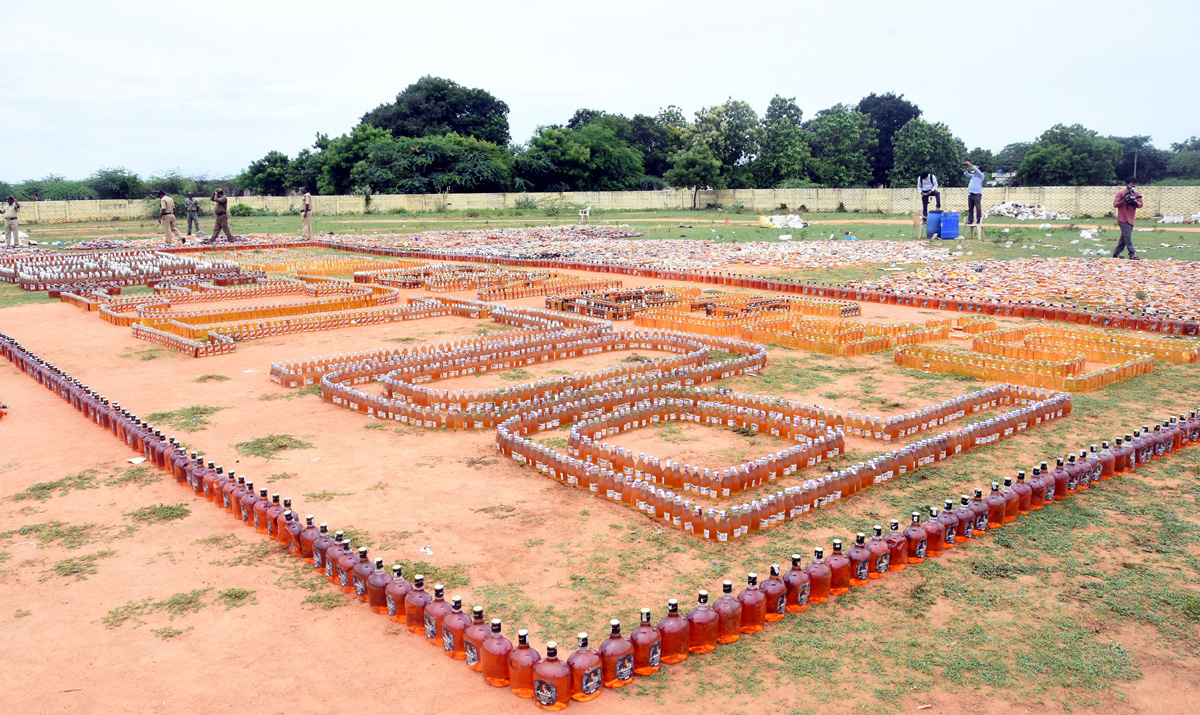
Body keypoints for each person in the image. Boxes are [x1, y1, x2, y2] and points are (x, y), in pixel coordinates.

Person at [1112, 179, 1143, 260]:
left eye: (1135, 184)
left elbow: (1141, 204)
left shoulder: (1136, 194)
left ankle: (1116, 253)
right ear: (1127, 184)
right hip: (1122, 218)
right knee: (1128, 237)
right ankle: (1132, 253)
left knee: (1124, 238)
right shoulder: (1121, 193)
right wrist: (1124, 200)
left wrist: (1135, 202)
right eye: (1132, 183)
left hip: (1131, 219)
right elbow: (1115, 204)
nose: (1133, 185)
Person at [963, 161, 985, 227]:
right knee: (970, 208)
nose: (975, 169)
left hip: (977, 194)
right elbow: (966, 173)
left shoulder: (981, 175)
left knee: (978, 208)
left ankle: (978, 221)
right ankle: (970, 221)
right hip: (971, 194)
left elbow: (975, 169)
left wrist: (969, 164)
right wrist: (966, 166)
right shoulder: (973, 176)